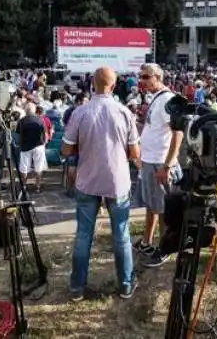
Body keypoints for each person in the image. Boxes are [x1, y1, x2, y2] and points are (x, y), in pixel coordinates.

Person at [62, 67, 141, 301]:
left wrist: (84, 148)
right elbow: (135, 151)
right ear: (114, 86)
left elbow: (66, 150)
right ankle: (126, 285)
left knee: (84, 235)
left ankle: (77, 288)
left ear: (92, 85)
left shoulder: (80, 112)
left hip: (87, 181)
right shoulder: (124, 112)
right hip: (117, 181)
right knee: (122, 235)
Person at [133, 63, 184, 267]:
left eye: (146, 77)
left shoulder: (168, 99)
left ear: (158, 77)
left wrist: (168, 164)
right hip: (150, 160)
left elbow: (178, 133)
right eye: (141, 76)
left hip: (159, 163)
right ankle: (147, 241)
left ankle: (165, 248)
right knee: (152, 206)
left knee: (163, 209)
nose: (142, 80)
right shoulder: (156, 97)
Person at [16, 103, 47, 192]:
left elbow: (18, 134)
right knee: (39, 167)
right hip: (38, 146)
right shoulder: (40, 120)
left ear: (25, 111)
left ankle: (24, 187)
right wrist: (44, 143)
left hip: (25, 147)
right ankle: (37, 187)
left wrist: (19, 144)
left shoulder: (21, 121)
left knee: (24, 168)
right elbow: (44, 133)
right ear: (34, 110)